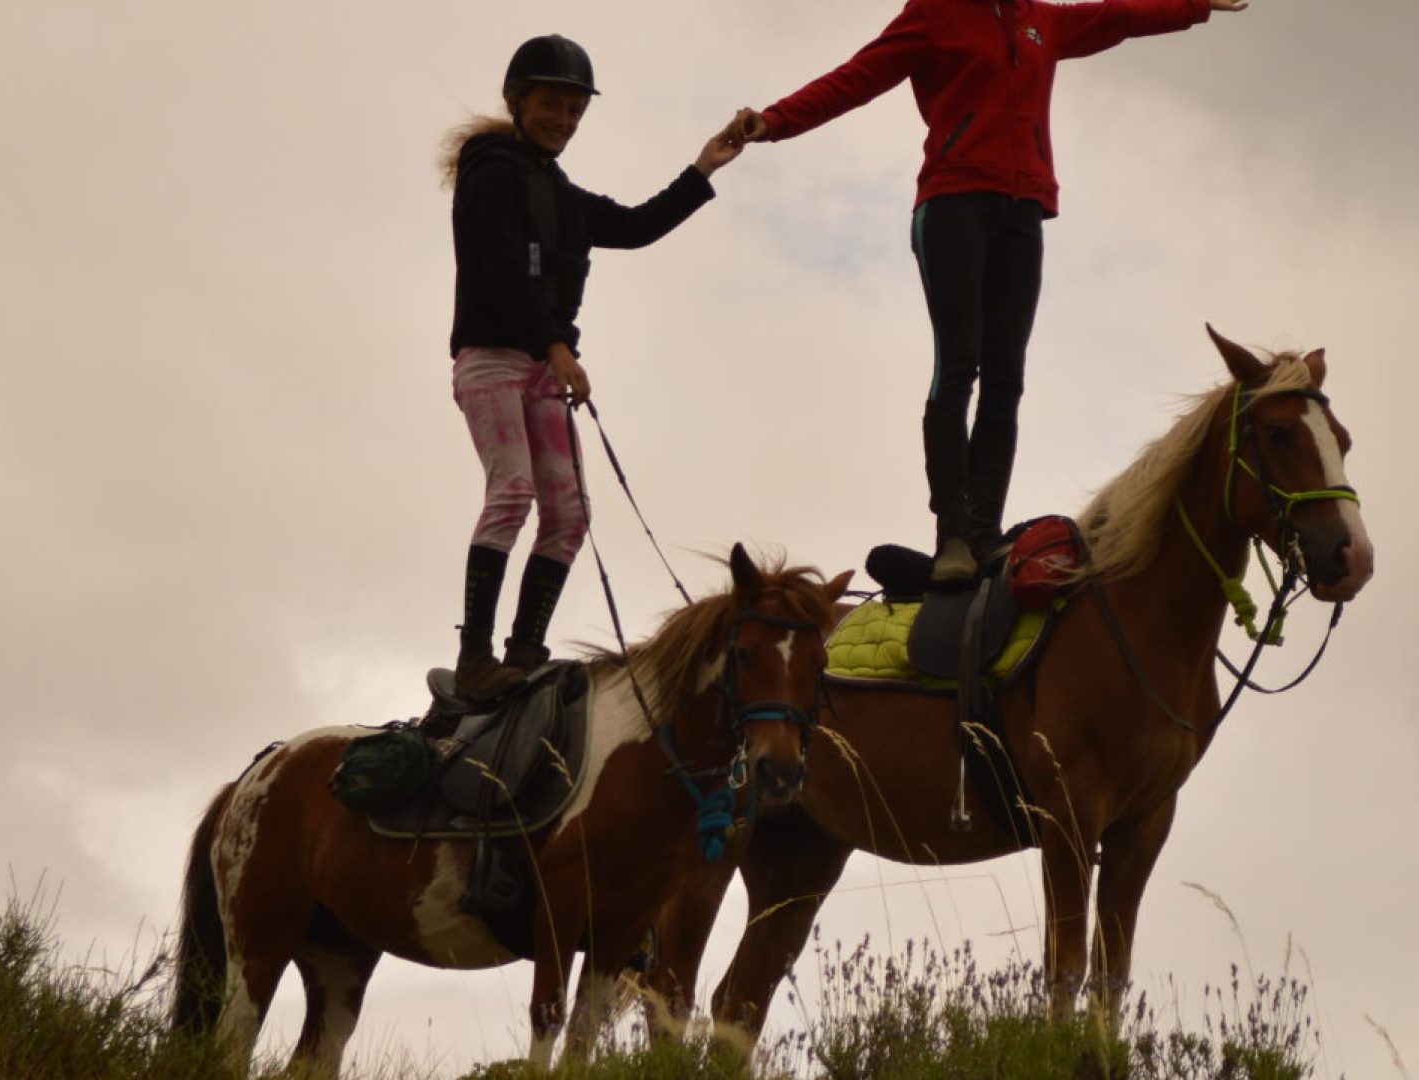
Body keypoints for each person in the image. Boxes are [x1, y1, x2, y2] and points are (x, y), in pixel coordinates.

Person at [729, 0, 1248, 584]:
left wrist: (1194, 6)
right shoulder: (934, 14)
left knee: (1008, 377)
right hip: (952, 203)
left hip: (1023, 210)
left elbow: (1117, 16)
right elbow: (857, 77)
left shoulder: (1041, 21)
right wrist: (772, 122)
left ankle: (983, 536)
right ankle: (952, 533)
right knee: (959, 364)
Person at [443, 34, 745, 699]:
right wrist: (557, 346)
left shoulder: (560, 192)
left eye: (576, 111)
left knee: (571, 511)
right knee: (513, 492)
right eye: (553, 105)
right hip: (494, 360)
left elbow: (636, 226)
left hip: (546, 364)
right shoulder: (490, 175)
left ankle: (523, 655)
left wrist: (704, 169)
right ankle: (474, 658)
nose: (565, 121)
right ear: (519, 101)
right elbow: (498, 271)